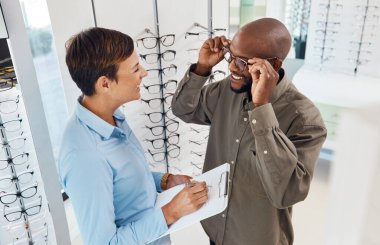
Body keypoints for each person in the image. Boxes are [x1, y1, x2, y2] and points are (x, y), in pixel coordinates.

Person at [171, 18, 327, 245]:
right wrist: (202, 68)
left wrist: (261, 108)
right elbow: (183, 110)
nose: (233, 67)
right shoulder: (227, 89)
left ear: (273, 65)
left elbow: (288, 192)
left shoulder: (305, 119)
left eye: (243, 62)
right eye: (231, 56)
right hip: (215, 231)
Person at [58, 27, 208, 245]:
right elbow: (104, 243)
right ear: (105, 84)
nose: (144, 73)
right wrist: (171, 212)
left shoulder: (111, 117)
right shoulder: (83, 156)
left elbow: (122, 179)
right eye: (136, 68)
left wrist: (164, 181)